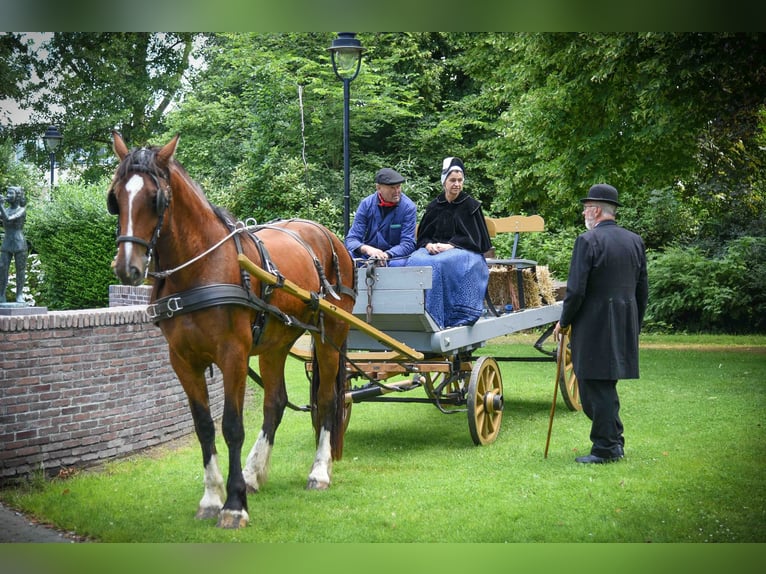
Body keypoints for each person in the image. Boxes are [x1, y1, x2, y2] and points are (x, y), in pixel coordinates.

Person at [553, 183, 648, 464]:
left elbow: (576, 290)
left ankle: (605, 449)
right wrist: (635, 323)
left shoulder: (588, 241)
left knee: (594, 386)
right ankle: (614, 441)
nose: (584, 213)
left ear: (595, 210)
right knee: (604, 385)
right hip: (624, 322)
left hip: (594, 326)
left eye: (585, 208)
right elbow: (642, 290)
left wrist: (564, 321)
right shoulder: (634, 240)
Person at [406, 157, 492, 328]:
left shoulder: (471, 206)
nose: (457, 184)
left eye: (460, 180)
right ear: (444, 181)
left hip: (465, 252)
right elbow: (424, 235)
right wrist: (429, 245)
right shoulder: (435, 206)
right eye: (453, 180)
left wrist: (450, 245)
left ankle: (437, 317)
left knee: (438, 264)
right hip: (435, 249)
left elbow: (475, 239)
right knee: (415, 259)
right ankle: (414, 313)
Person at [345, 168, 417, 267]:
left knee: (397, 265)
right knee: (346, 258)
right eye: (392, 187)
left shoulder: (408, 207)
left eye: (398, 186)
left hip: (394, 257)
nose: (397, 191)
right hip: (368, 255)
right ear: (378, 188)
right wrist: (367, 249)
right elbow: (351, 239)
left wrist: (386, 255)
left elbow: (408, 244)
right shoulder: (366, 204)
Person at [0, 186, 29, 304]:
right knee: (2, 268)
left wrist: (0, 205)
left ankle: (19, 295)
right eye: (7, 193)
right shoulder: (5, 209)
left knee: (20, 270)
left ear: (17, 197)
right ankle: (1, 295)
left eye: (10, 193)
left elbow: (8, 219)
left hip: (19, 243)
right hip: (7, 242)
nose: (8, 195)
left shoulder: (21, 210)